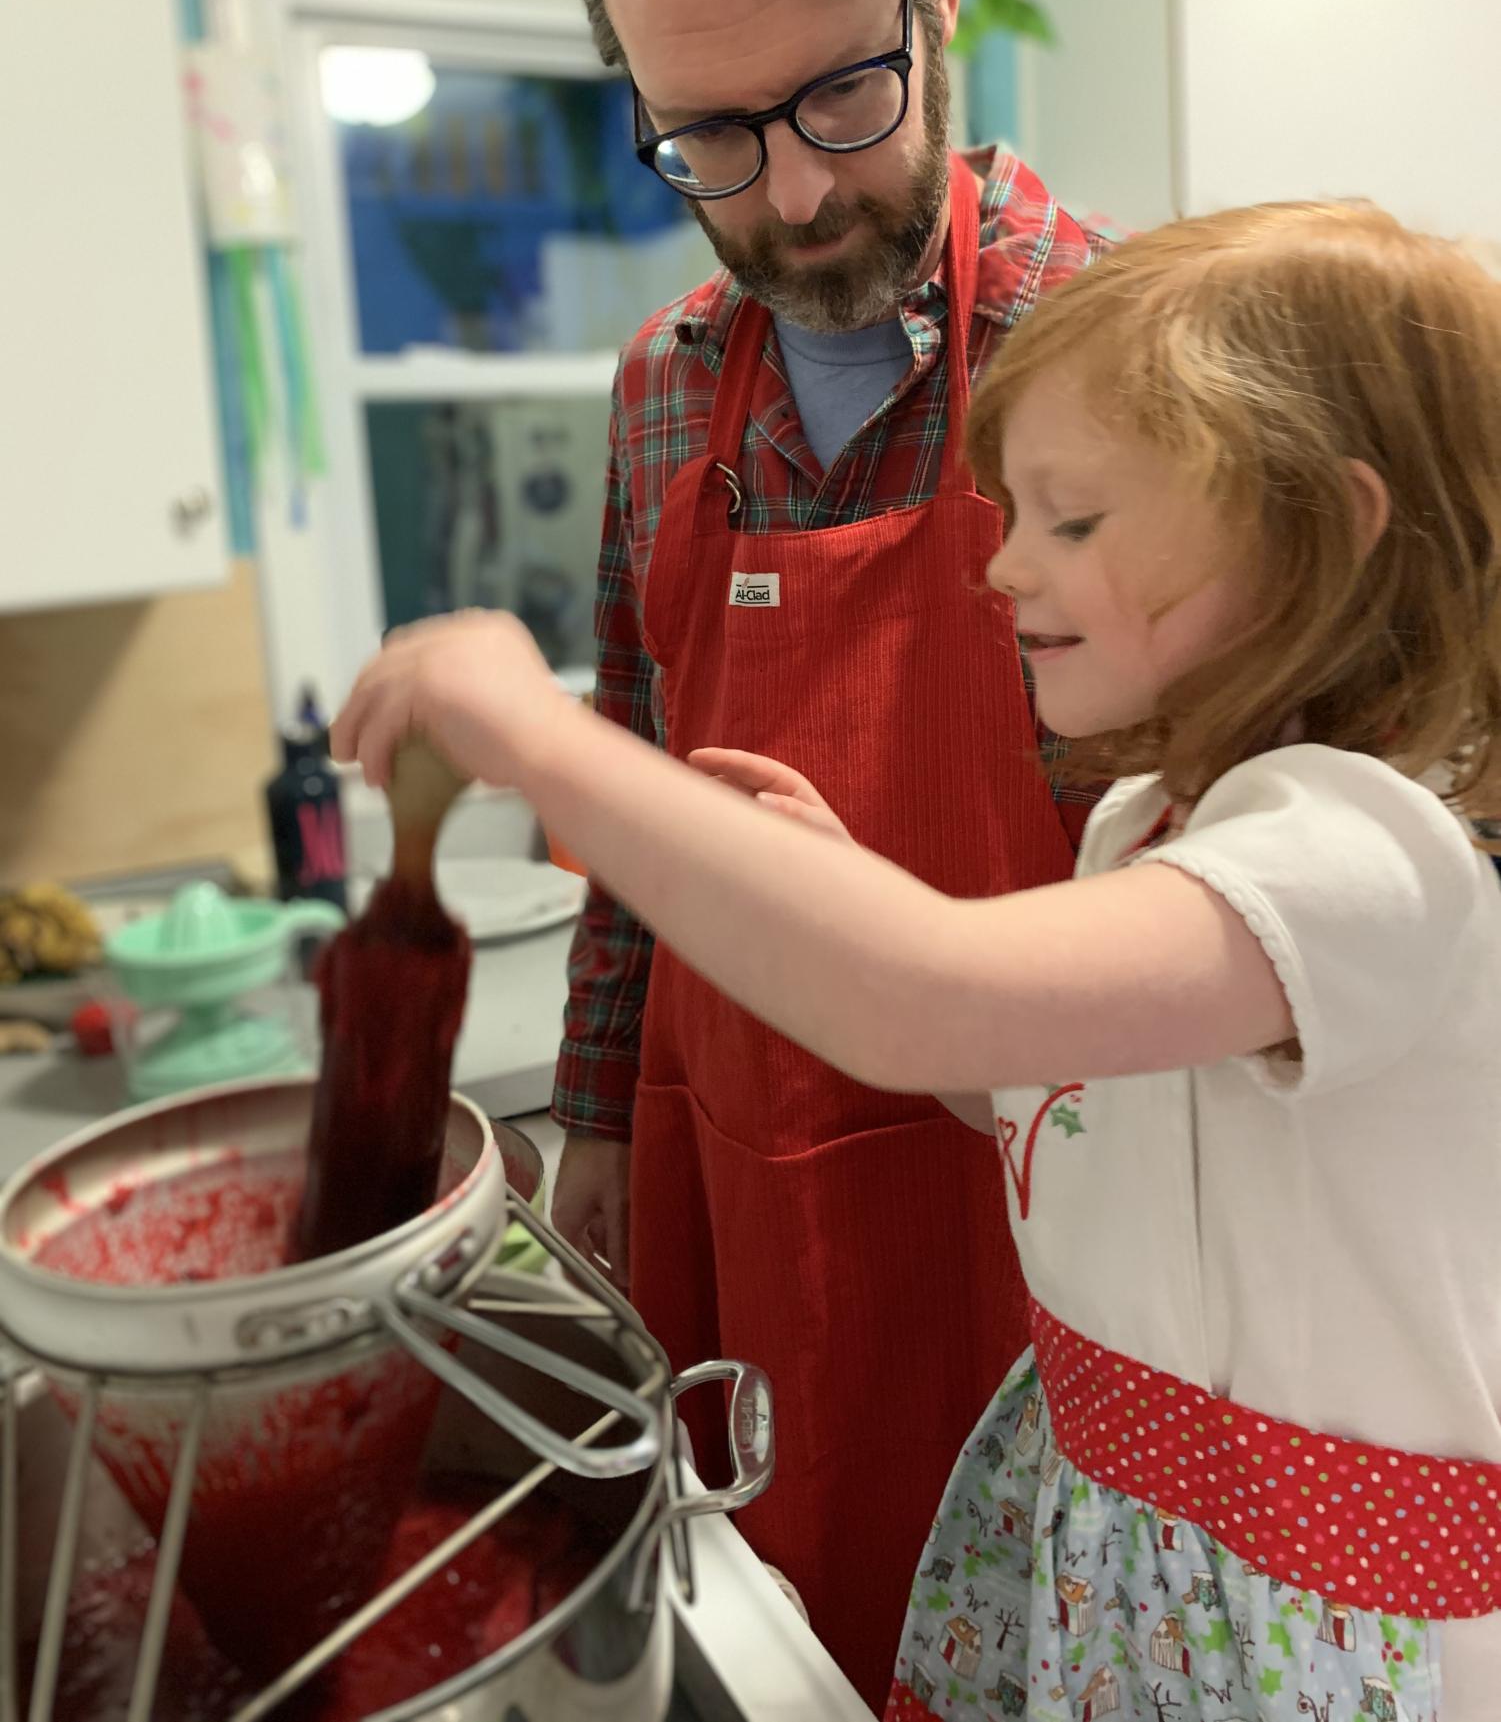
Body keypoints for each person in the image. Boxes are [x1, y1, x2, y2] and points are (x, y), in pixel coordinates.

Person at [337, 200, 1501, 1720]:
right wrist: (841, 883)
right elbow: (1034, 1090)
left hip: (1307, 1626)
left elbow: (922, 993)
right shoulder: (1154, 820)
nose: (1003, 566)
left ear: (1326, 529)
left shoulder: (1367, 857)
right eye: (1006, 510)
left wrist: (535, 738)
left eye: (1072, 519)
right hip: (1115, 1554)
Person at [518, 0, 1100, 1695]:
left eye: (841, 95)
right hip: (730, 1153)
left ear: (932, 2)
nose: (789, 200)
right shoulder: (664, 387)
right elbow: (626, 808)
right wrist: (593, 1118)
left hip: (1037, 1196)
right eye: (708, 137)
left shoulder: (1119, 357)